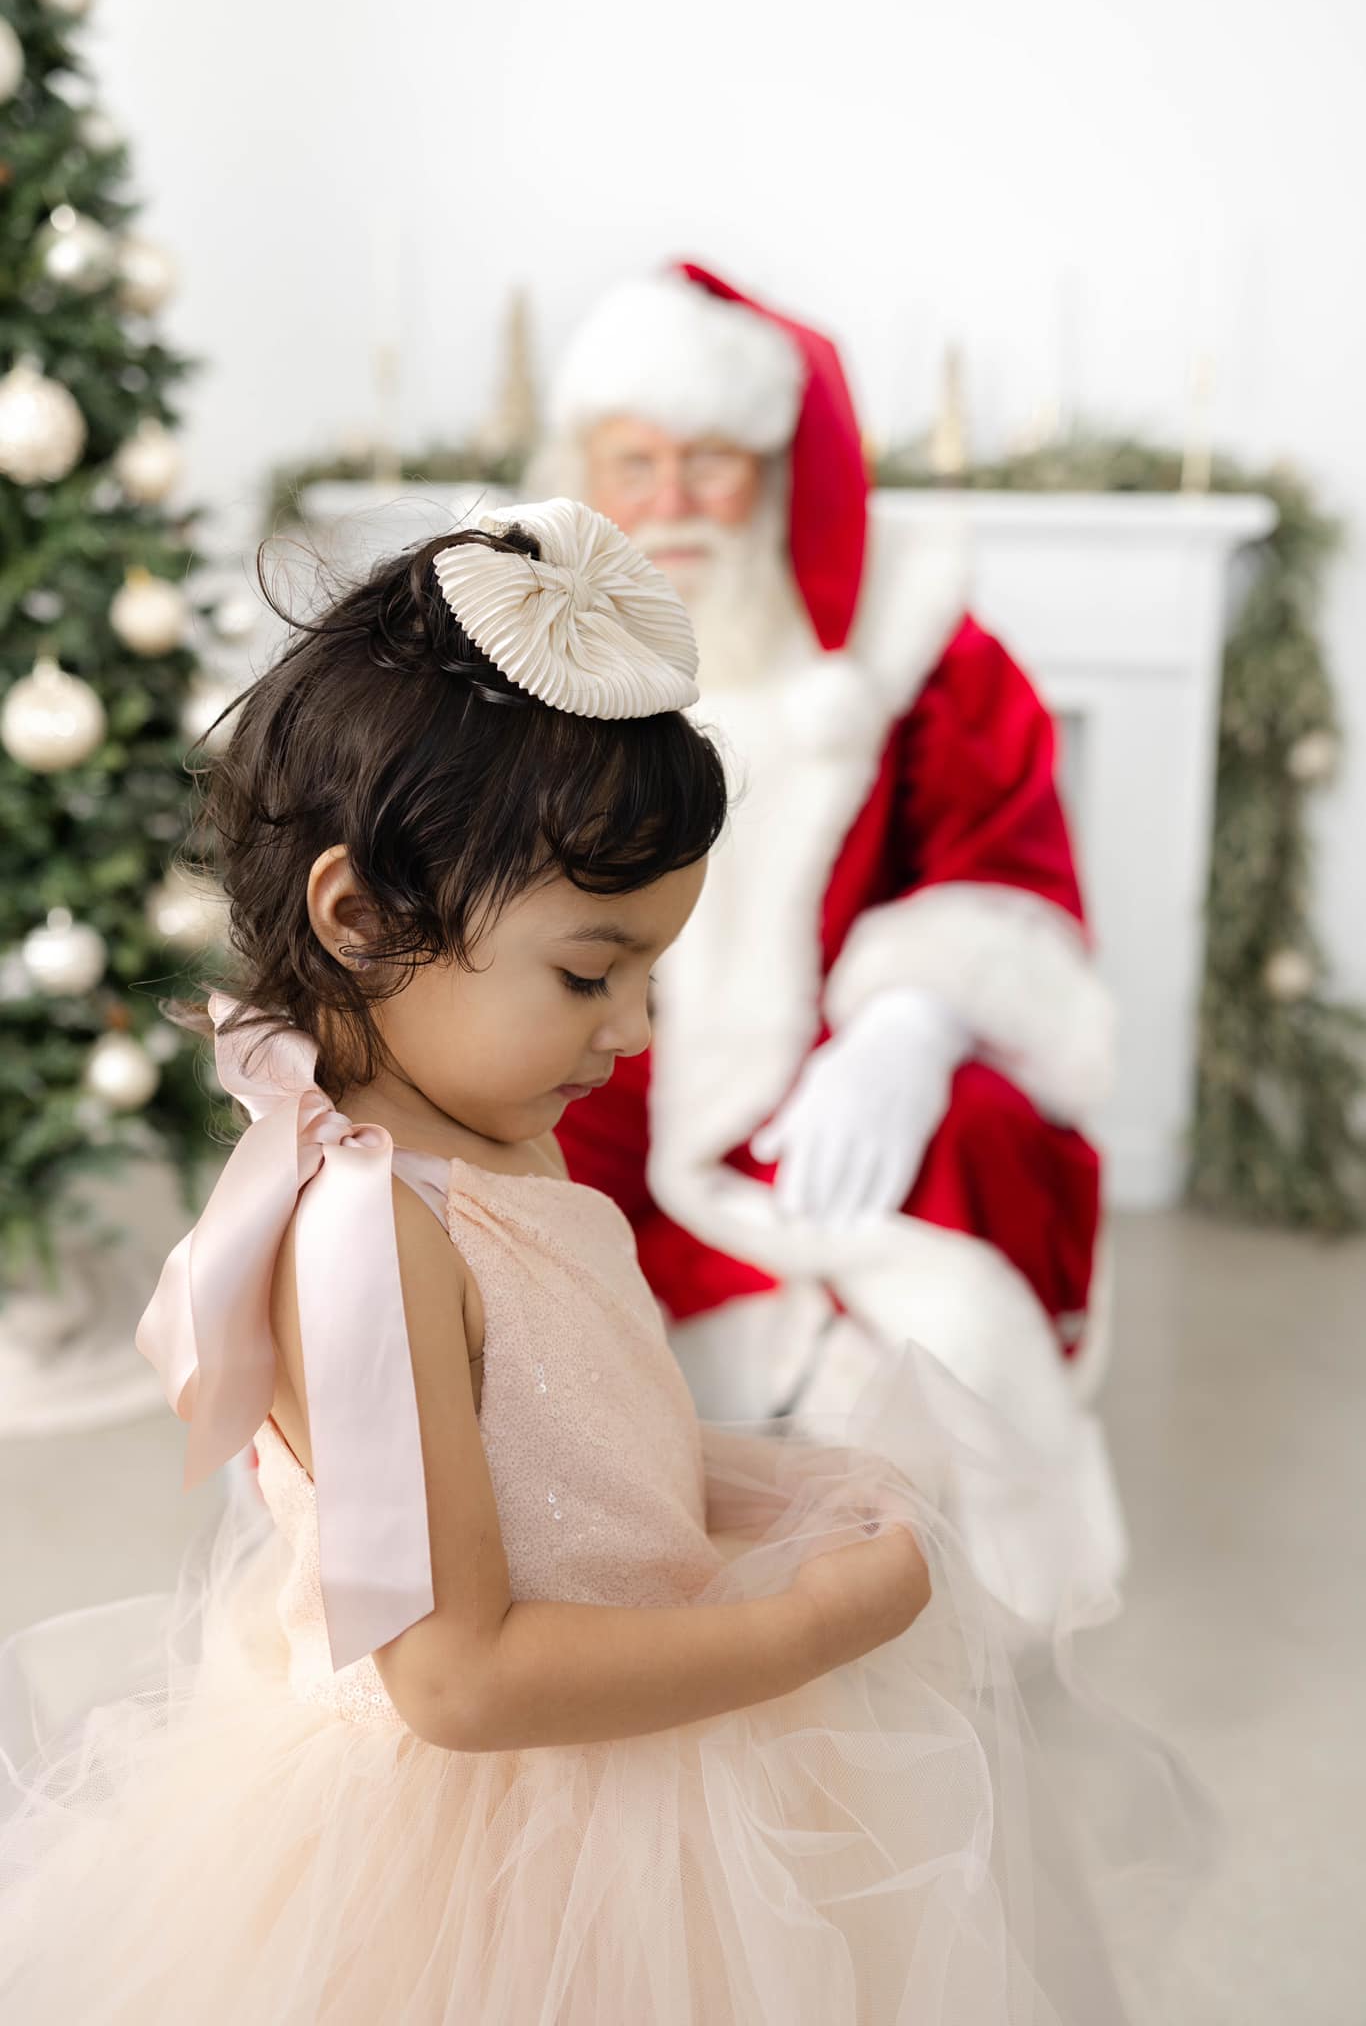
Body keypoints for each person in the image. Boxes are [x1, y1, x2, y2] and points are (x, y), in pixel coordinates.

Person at [0, 501, 1184, 2022]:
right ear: (359, 916)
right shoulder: (369, 1237)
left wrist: (764, 1485)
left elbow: (564, 1451)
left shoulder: (483, 1135)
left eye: (648, 972)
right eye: (587, 972)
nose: (633, 1033)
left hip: (632, 1725)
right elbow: (458, 1680)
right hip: (501, 1849)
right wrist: (804, 1627)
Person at [529, 265, 1122, 1621]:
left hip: (833, 1052)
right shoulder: (525, 642)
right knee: (496, 1175)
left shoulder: (922, 650)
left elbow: (1003, 859)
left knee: (973, 1138)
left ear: (775, 471)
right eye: (636, 460)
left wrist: (911, 1022)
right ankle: (582, 1536)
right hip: (598, 1034)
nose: (670, 500)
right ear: (586, 469)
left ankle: (958, 1566)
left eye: (710, 463)